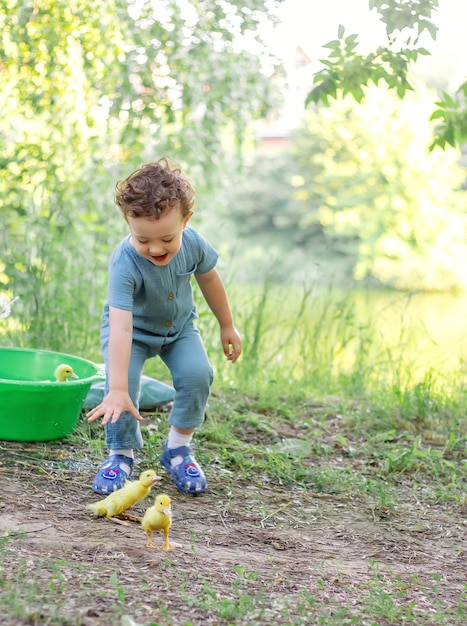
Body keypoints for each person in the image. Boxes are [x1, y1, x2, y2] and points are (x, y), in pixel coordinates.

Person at [87, 158, 242, 495]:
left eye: (166, 239)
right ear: (128, 224)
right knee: (123, 382)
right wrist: (115, 389)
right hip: (133, 332)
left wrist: (227, 325)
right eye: (143, 240)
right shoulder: (124, 262)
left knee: (198, 375)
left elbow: (209, 279)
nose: (155, 249)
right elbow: (121, 329)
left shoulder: (194, 243)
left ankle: (178, 449)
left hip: (180, 330)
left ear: (186, 221)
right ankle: (121, 454)